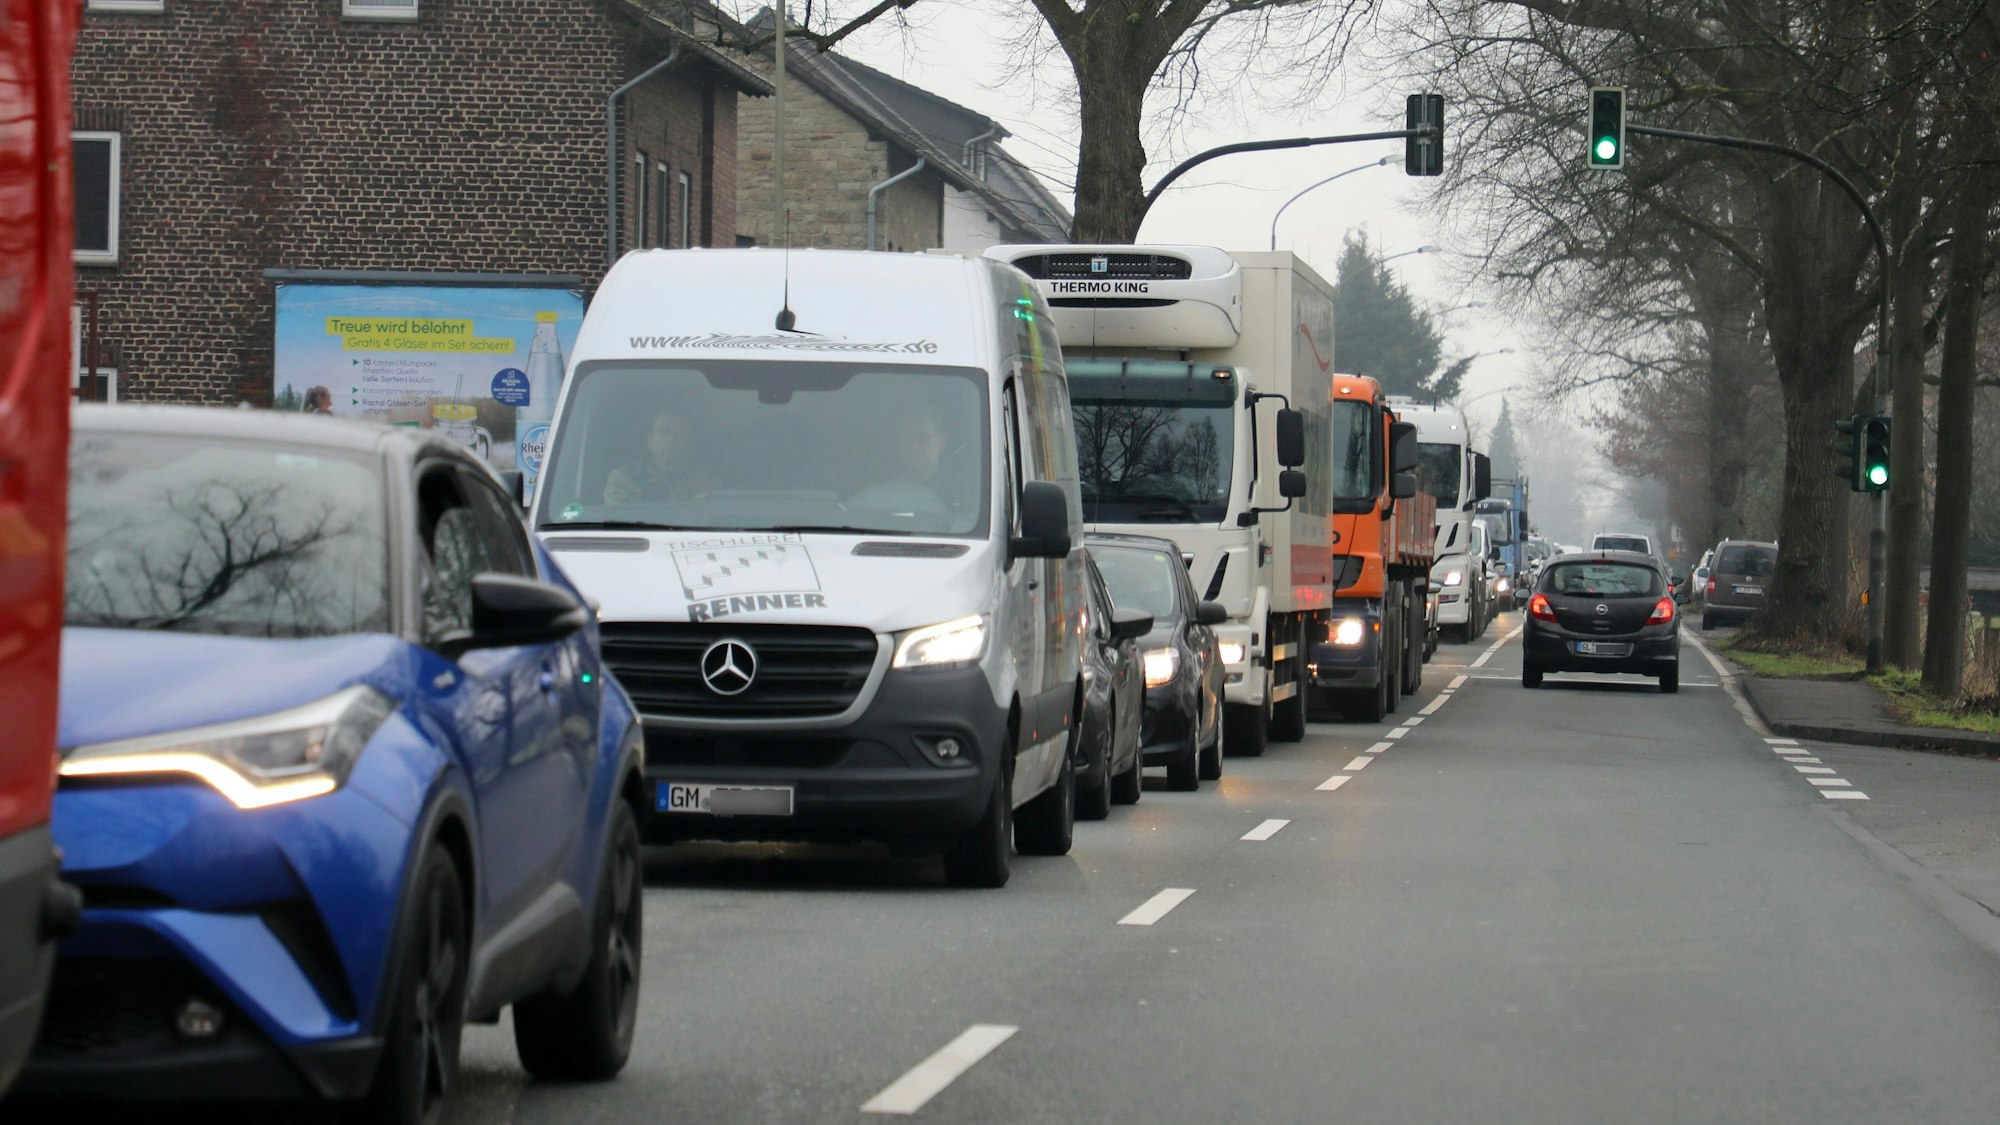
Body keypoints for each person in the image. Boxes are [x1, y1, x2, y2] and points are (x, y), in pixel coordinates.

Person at [604, 409, 709, 504]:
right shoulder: (623, 479)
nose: (672, 439)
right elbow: (623, 522)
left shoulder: (707, 479)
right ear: (650, 440)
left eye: (681, 433)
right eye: (664, 431)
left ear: (691, 441)